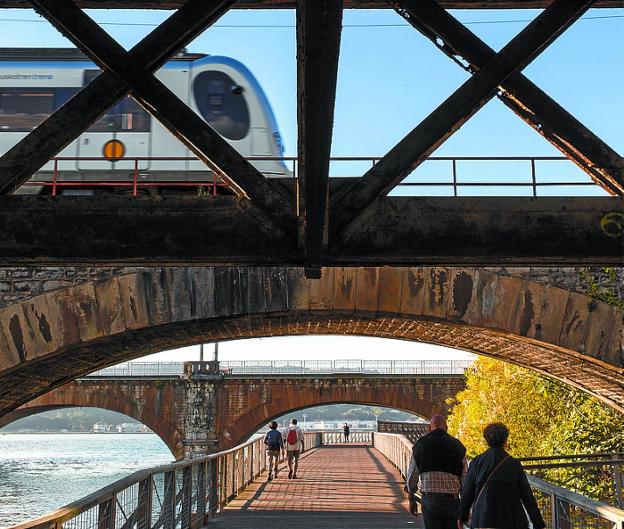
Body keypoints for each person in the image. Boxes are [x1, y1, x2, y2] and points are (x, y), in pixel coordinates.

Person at [457, 423, 545, 529]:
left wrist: (461, 517)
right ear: (505, 440)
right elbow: (527, 496)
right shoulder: (514, 464)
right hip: (511, 520)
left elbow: (467, 493)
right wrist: (538, 523)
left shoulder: (477, 462)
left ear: (486, 440)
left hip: (484, 519)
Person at [405, 414, 467, 529]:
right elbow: (465, 478)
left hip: (430, 499)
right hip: (452, 500)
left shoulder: (421, 445)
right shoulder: (457, 445)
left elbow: (412, 474)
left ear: (430, 428)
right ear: (446, 428)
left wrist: (411, 497)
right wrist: (465, 505)